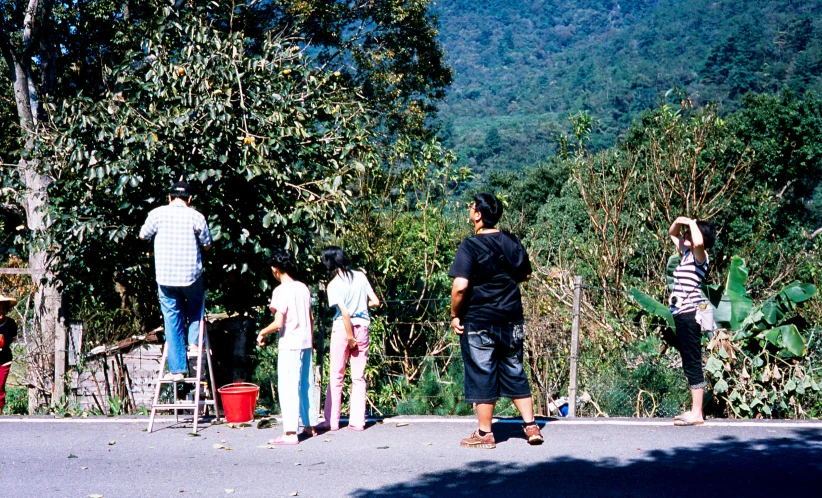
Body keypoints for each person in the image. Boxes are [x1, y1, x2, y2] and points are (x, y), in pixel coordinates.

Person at [449, 193, 543, 449]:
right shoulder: (512, 241)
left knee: (482, 373)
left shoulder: (469, 246)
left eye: (471, 206)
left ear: (478, 214)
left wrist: (455, 314)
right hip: (511, 317)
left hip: (479, 319)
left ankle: (484, 433)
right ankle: (531, 426)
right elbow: (525, 274)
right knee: (514, 369)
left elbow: (460, 287)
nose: (469, 210)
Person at [139, 180, 212, 381]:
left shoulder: (156, 214)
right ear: (190, 199)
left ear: (170, 197)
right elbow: (207, 245)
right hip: (190, 277)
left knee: (172, 318)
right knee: (197, 304)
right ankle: (194, 343)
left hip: (165, 277)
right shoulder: (197, 216)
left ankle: (178, 369)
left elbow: (142, 235)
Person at [256, 250, 318, 445]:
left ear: (275, 269)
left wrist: (263, 332)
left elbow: (279, 322)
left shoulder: (280, 291)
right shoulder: (303, 288)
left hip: (290, 343)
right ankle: (309, 425)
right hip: (306, 342)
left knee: (288, 386)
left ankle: (291, 432)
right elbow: (311, 318)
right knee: (306, 384)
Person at [316, 246, 380, 432]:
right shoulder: (360, 276)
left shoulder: (333, 284)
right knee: (358, 376)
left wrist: (350, 336)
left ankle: (332, 421)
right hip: (363, 327)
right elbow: (375, 301)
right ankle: (358, 421)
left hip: (343, 330)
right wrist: (362, 307)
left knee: (336, 375)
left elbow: (344, 312)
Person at [667, 217, 716, 426]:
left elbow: (697, 243)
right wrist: (680, 222)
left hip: (689, 314)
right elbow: (672, 234)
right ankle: (695, 410)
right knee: (688, 361)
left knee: (693, 360)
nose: (685, 235)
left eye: (689, 232)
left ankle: (697, 413)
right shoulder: (686, 255)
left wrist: (692, 222)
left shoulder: (700, 256)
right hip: (680, 313)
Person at [0, 293, 18, 413]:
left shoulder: (10, 324)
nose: (1, 311)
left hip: (4, 360)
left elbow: (11, 339)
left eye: (3, 308)